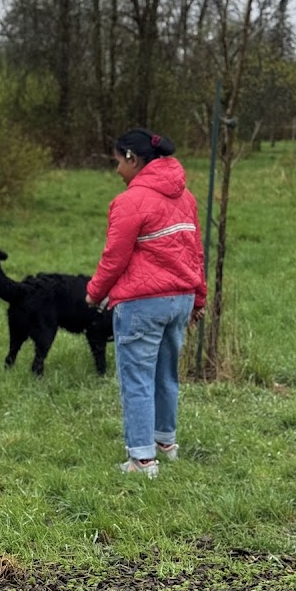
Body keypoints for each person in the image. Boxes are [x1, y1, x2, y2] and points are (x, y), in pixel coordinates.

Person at [85, 128, 206, 477]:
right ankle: (165, 443)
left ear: (132, 158)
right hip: (181, 300)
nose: (116, 171)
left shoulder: (129, 202)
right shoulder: (187, 198)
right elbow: (196, 253)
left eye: (116, 162)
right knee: (166, 374)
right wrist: (198, 297)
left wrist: (94, 293)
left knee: (137, 378)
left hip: (142, 305)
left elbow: (114, 258)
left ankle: (141, 460)